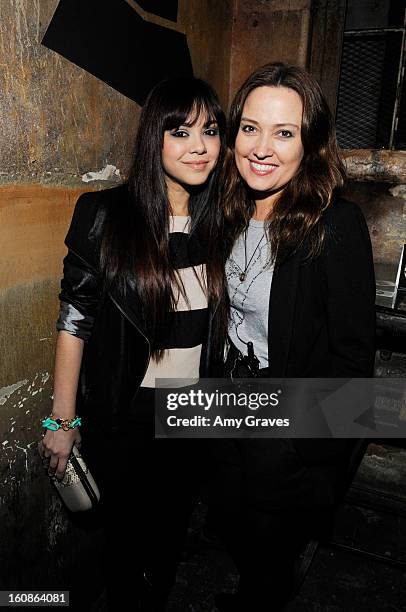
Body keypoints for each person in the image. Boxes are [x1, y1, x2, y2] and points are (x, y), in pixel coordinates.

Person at [38, 76, 227, 611]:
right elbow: (76, 318)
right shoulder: (106, 214)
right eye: (181, 131)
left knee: (169, 538)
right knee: (123, 547)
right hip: (129, 416)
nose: (199, 146)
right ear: (154, 139)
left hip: (195, 412)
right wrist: (63, 421)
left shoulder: (221, 220)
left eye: (210, 131)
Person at [209, 63, 376, 611]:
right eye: (250, 127)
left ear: (310, 143)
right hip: (223, 407)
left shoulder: (336, 225)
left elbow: (354, 365)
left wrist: (301, 449)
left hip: (287, 421)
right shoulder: (225, 213)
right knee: (231, 524)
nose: (262, 147)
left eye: (284, 132)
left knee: (268, 554)